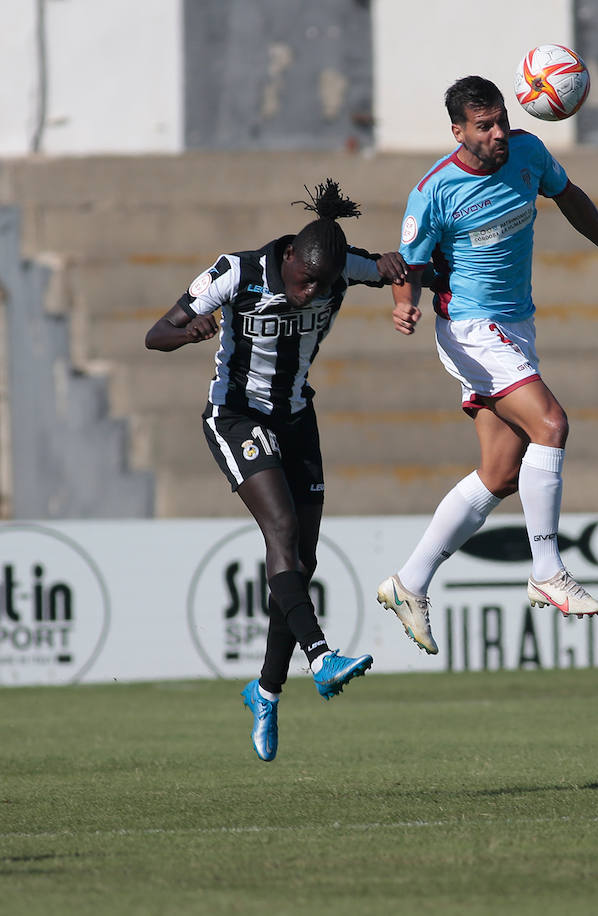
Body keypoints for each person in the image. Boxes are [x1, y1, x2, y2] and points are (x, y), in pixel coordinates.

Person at [375, 76, 598, 653]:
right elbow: (409, 264)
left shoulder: (528, 152)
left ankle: (409, 583)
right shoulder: (434, 191)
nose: (499, 133)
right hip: (471, 331)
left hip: (516, 325)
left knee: (501, 473)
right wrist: (404, 307)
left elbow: (570, 198)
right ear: (458, 132)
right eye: (485, 126)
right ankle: (548, 570)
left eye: (501, 120)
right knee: (551, 424)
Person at [145, 180, 407, 762]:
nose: (310, 293)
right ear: (288, 257)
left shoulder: (344, 271)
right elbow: (154, 333)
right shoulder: (236, 273)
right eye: (303, 281)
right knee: (282, 532)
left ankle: (264, 692)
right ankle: (322, 657)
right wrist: (190, 332)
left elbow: (402, 268)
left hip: (295, 418)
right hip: (236, 415)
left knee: (300, 562)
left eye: (321, 285)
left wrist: (403, 287)